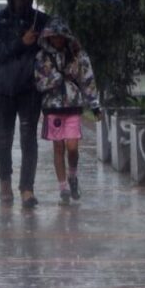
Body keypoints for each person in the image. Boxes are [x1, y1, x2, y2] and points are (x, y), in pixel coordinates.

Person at [0, 0, 49, 208]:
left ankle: (27, 188)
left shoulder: (41, 21)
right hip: (2, 89)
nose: (21, 0)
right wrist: (21, 42)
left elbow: (52, 51)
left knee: (28, 138)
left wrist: (41, 41)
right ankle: (5, 181)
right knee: (4, 138)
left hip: (30, 89)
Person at [33, 18, 102, 205]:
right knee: (58, 147)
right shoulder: (42, 57)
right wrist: (55, 79)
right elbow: (39, 82)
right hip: (52, 107)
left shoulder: (77, 55)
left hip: (73, 106)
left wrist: (94, 104)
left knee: (72, 147)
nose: (57, 40)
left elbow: (87, 79)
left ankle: (72, 176)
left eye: (60, 36)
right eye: (53, 37)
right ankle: (62, 187)